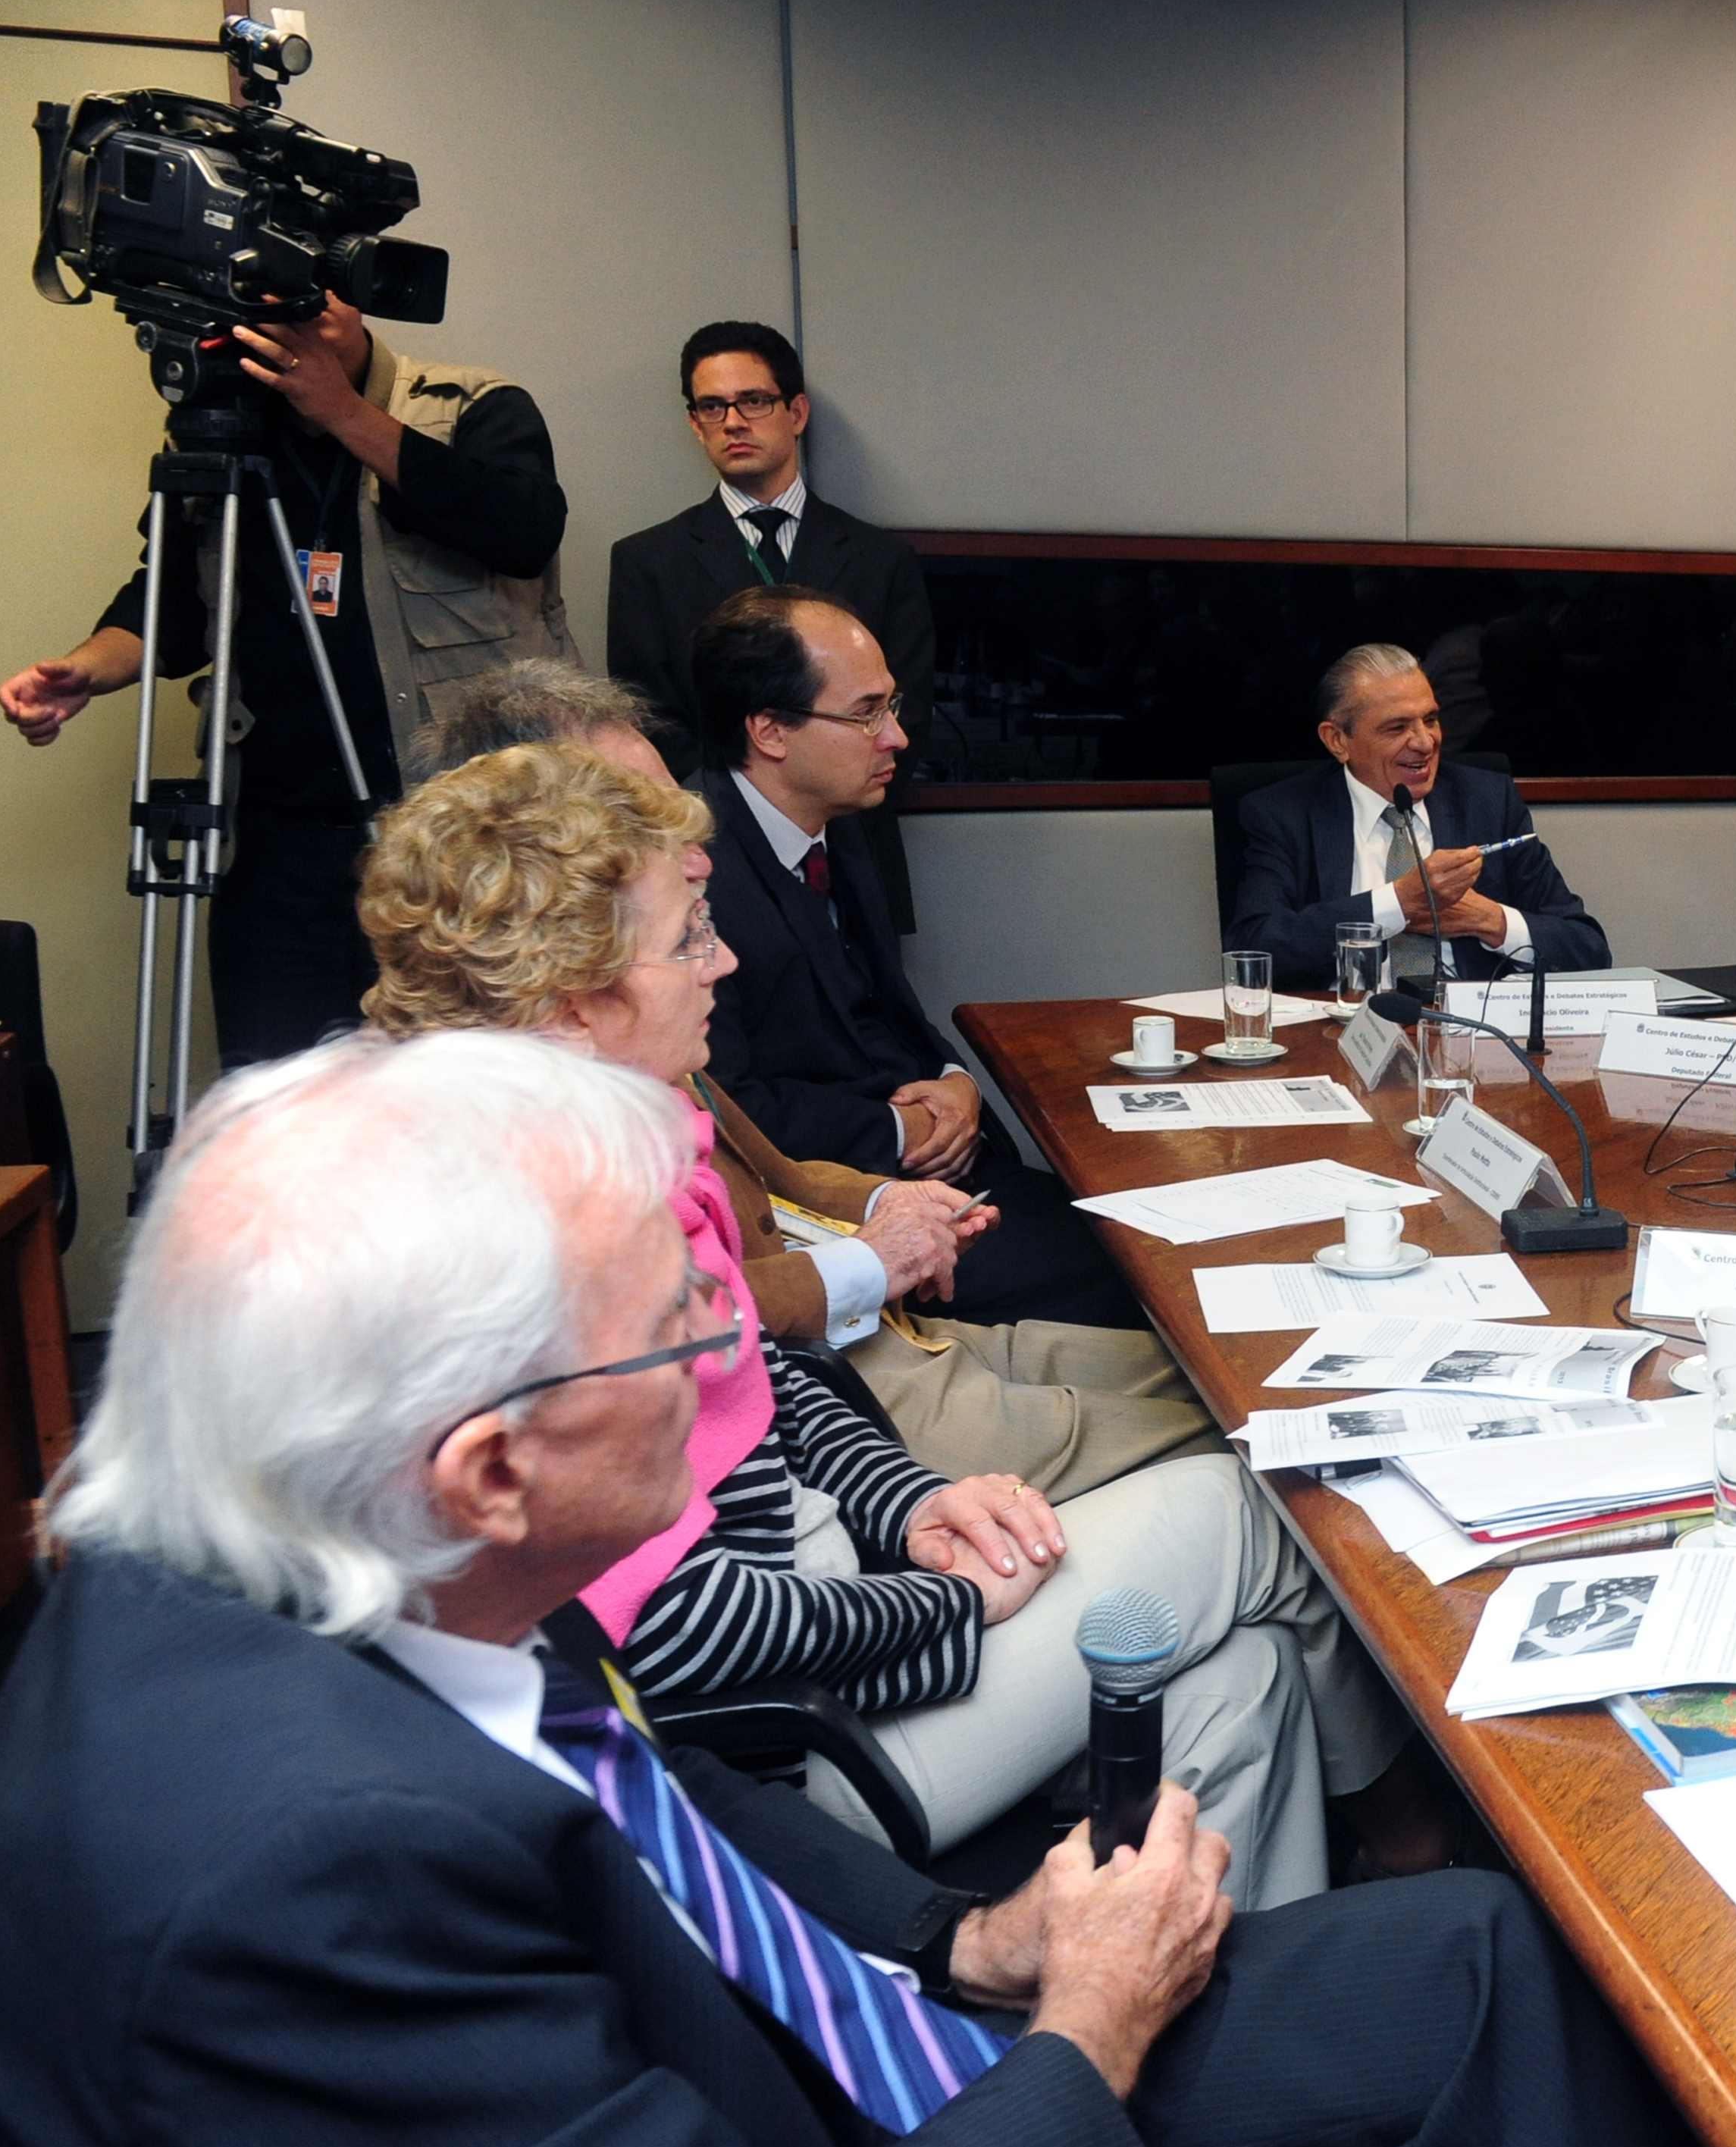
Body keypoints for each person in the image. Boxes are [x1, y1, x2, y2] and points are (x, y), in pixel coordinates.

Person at [0, 1027, 1736, 2147]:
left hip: (788, 2088)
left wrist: (974, 1941)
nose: (737, 1354)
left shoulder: (339, 1532)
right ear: (487, 1466)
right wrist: (1092, 2029)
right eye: (685, 1329)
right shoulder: (293, 1875)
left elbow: (668, 1802)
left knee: (1466, 1957)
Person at [359, 744, 1440, 1898]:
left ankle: (1228, 2015)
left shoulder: (615, 1140)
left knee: (1248, 1680)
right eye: (687, 938)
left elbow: (768, 1378)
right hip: (792, 1740)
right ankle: (1427, 1841)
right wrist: (943, 1604)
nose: (723, 958)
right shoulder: (531, 1233)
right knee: (1272, 1501)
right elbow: (670, 1631)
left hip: (840, 1598)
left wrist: (912, 1498)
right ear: (575, 1003)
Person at [408, 660, 1224, 1505]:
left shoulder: (643, 1026)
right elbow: (719, 1345)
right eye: (631, 809)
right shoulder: (546, 1129)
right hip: (849, 1390)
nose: (688, 840)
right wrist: (871, 1260)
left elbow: (779, 1174)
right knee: (1236, 1433)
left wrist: (886, 1200)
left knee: (1220, 1375)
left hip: (880, 1333)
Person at [0, 292, 569, 1062]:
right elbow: (167, 600)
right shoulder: (229, 435)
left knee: (454, 1095)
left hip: (449, 839)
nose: (292, 319)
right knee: (277, 1096)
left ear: (355, 298)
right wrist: (84, 672)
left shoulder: (467, 406)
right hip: (277, 850)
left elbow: (522, 529)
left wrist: (340, 410)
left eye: (308, 295)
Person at [689, 583, 1144, 1331]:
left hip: (938, 1158)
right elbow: (734, 1115)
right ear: (770, 731)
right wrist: (906, 1131)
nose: (897, 737)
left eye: (892, 707)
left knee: (1129, 1228)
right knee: (1122, 1276)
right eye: (867, 713)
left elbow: (890, 1008)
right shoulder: (699, 877)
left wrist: (953, 1080)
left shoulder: (843, 824)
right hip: (837, 1206)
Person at [604, 321, 936, 750]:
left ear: (796, 413)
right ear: (695, 424)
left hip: (850, 812)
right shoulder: (647, 562)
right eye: (712, 407)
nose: (733, 423)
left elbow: (904, 713)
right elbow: (648, 724)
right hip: (707, 812)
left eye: (754, 401)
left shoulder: (882, 560)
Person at [1227, 642, 1608, 989]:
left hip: (1470, 1033)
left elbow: (1587, 949)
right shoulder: (1283, 813)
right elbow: (1253, 948)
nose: (1425, 743)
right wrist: (1399, 904)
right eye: (1397, 727)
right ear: (1337, 740)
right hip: (1340, 1031)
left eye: (1431, 719)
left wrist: (1490, 921)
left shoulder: (1488, 801)